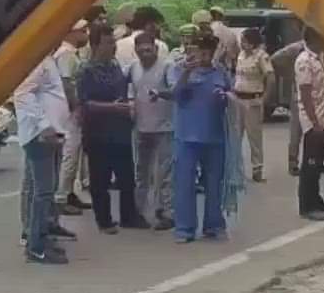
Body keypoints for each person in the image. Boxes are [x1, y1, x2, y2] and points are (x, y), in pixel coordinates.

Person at [78, 24, 147, 234]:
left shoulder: (116, 66)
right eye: (108, 43)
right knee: (101, 179)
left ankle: (129, 216)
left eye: (113, 42)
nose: (113, 47)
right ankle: (104, 220)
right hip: (98, 132)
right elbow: (85, 104)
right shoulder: (86, 71)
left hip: (120, 130)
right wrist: (112, 107)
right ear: (95, 46)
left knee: (126, 177)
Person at [169, 34, 232, 242]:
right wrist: (186, 73)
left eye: (208, 52)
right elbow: (174, 94)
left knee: (214, 183)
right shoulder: (180, 69)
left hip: (214, 136)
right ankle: (184, 228)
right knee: (184, 184)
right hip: (187, 136)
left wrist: (224, 97)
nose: (204, 56)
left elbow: (231, 95)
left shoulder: (220, 71)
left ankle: (214, 225)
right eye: (200, 51)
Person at [14, 52, 73, 265]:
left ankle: (40, 238)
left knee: (43, 191)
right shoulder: (37, 61)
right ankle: (36, 247)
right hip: (40, 136)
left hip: (50, 135)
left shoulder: (48, 60)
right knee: (43, 192)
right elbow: (22, 93)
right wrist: (44, 125)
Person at [130, 31, 176, 231]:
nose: (145, 55)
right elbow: (130, 90)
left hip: (164, 127)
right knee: (141, 172)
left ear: (156, 49)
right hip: (141, 127)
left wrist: (161, 94)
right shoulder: (133, 68)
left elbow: (175, 91)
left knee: (164, 173)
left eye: (148, 50)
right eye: (140, 51)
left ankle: (166, 211)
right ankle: (138, 210)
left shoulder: (167, 66)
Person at [294, 28, 324, 220]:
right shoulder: (305, 60)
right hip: (313, 119)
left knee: (317, 163)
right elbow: (305, 94)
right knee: (310, 164)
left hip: (322, 117)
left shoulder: (319, 58)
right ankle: (307, 205)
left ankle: (316, 199)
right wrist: (314, 122)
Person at [54, 20, 91, 215]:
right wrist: (76, 107)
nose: (86, 35)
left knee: (74, 154)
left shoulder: (70, 53)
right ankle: (61, 197)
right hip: (70, 112)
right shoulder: (66, 54)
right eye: (83, 31)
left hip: (71, 109)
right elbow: (67, 83)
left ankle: (68, 193)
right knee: (70, 154)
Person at [233, 28, 274, 182]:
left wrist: (265, 98)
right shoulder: (241, 55)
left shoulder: (261, 57)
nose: (242, 43)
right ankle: (235, 169)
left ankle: (257, 168)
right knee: (235, 135)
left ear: (252, 42)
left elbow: (271, 78)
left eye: (244, 41)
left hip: (253, 100)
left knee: (254, 137)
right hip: (238, 99)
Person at [271, 37, 307, 176]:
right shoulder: (298, 48)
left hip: (319, 94)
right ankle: (293, 163)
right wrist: (290, 74)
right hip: (300, 94)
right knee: (296, 131)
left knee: (316, 133)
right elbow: (275, 59)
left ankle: (315, 162)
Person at [115, 6, 169, 71]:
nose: (158, 28)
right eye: (157, 24)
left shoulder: (118, 44)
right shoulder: (160, 46)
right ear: (151, 24)